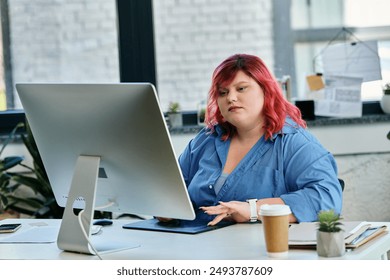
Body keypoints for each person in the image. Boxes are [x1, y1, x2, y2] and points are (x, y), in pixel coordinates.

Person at [167, 54, 342, 226]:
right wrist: (168, 209)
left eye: (241, 88)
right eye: (223, 92)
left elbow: (328, 198)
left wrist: (254, 210)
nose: (231, 98)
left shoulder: (294, 143)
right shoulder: (206, 139)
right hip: (195, 245)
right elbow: (172, 188)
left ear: (266, 91)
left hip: (257, 248)